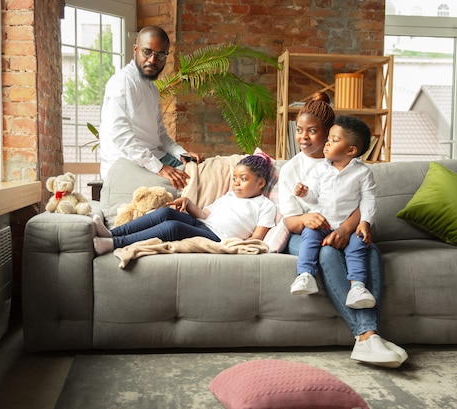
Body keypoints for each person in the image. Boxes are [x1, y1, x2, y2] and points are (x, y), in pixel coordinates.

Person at [278, 91, 408, 368]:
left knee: (369, 251)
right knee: (326, 255)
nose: (303, 137)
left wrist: (348, 228)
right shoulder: (292, 169)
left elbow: (363, 202)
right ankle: (365, 335)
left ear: (329, 134)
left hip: (342, 228)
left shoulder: (352, 167)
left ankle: (369, 337)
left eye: (312, 132)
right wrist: (307, 219)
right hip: (305, 235)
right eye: (299, 131)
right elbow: (290, 221)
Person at [92, 154, 276, 255]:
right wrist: (188, 204)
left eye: (243, 179)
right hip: (203, 225)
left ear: (260, 183)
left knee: (173, 227)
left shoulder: (265, 205)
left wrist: (235, 246)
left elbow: (258, 238)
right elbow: (204, 214)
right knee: (166, 213)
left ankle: (114, 243)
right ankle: (111, 232)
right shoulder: (229, 195)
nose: (235, 183)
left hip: (218, 237)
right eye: (234, 178)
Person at [98, 25, 202, 189]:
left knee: (202, 171)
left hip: (153, 158)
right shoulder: (123, 82)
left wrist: (181, 154)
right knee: (197, 182)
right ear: (135, 49)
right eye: (147, 52)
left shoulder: (151, 87)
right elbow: (119, 134)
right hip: (127, 166)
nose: (153, 60)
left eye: (160, 55)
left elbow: (160, 134)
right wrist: (160, 168)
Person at [291, 115, 377, 312]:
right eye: (328, 139)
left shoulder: (362, 173)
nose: (327, 144)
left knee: (358, 247)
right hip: (323, 223)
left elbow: (368, 199)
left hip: (351, 225)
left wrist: (365, 222)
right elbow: (314, 197)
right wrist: (305, 194)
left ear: (351, 150)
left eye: (334, 140)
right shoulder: (320, 169)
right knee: (309, 238)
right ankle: (305, 275)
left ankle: (357, 287)